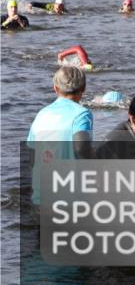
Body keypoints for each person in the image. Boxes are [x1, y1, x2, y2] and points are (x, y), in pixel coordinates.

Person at [26, 67, 93, 203]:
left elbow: (32, 157)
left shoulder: (41, 114)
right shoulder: (82, 114)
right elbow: (81, 148)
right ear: (84, 89)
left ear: (55, 88)